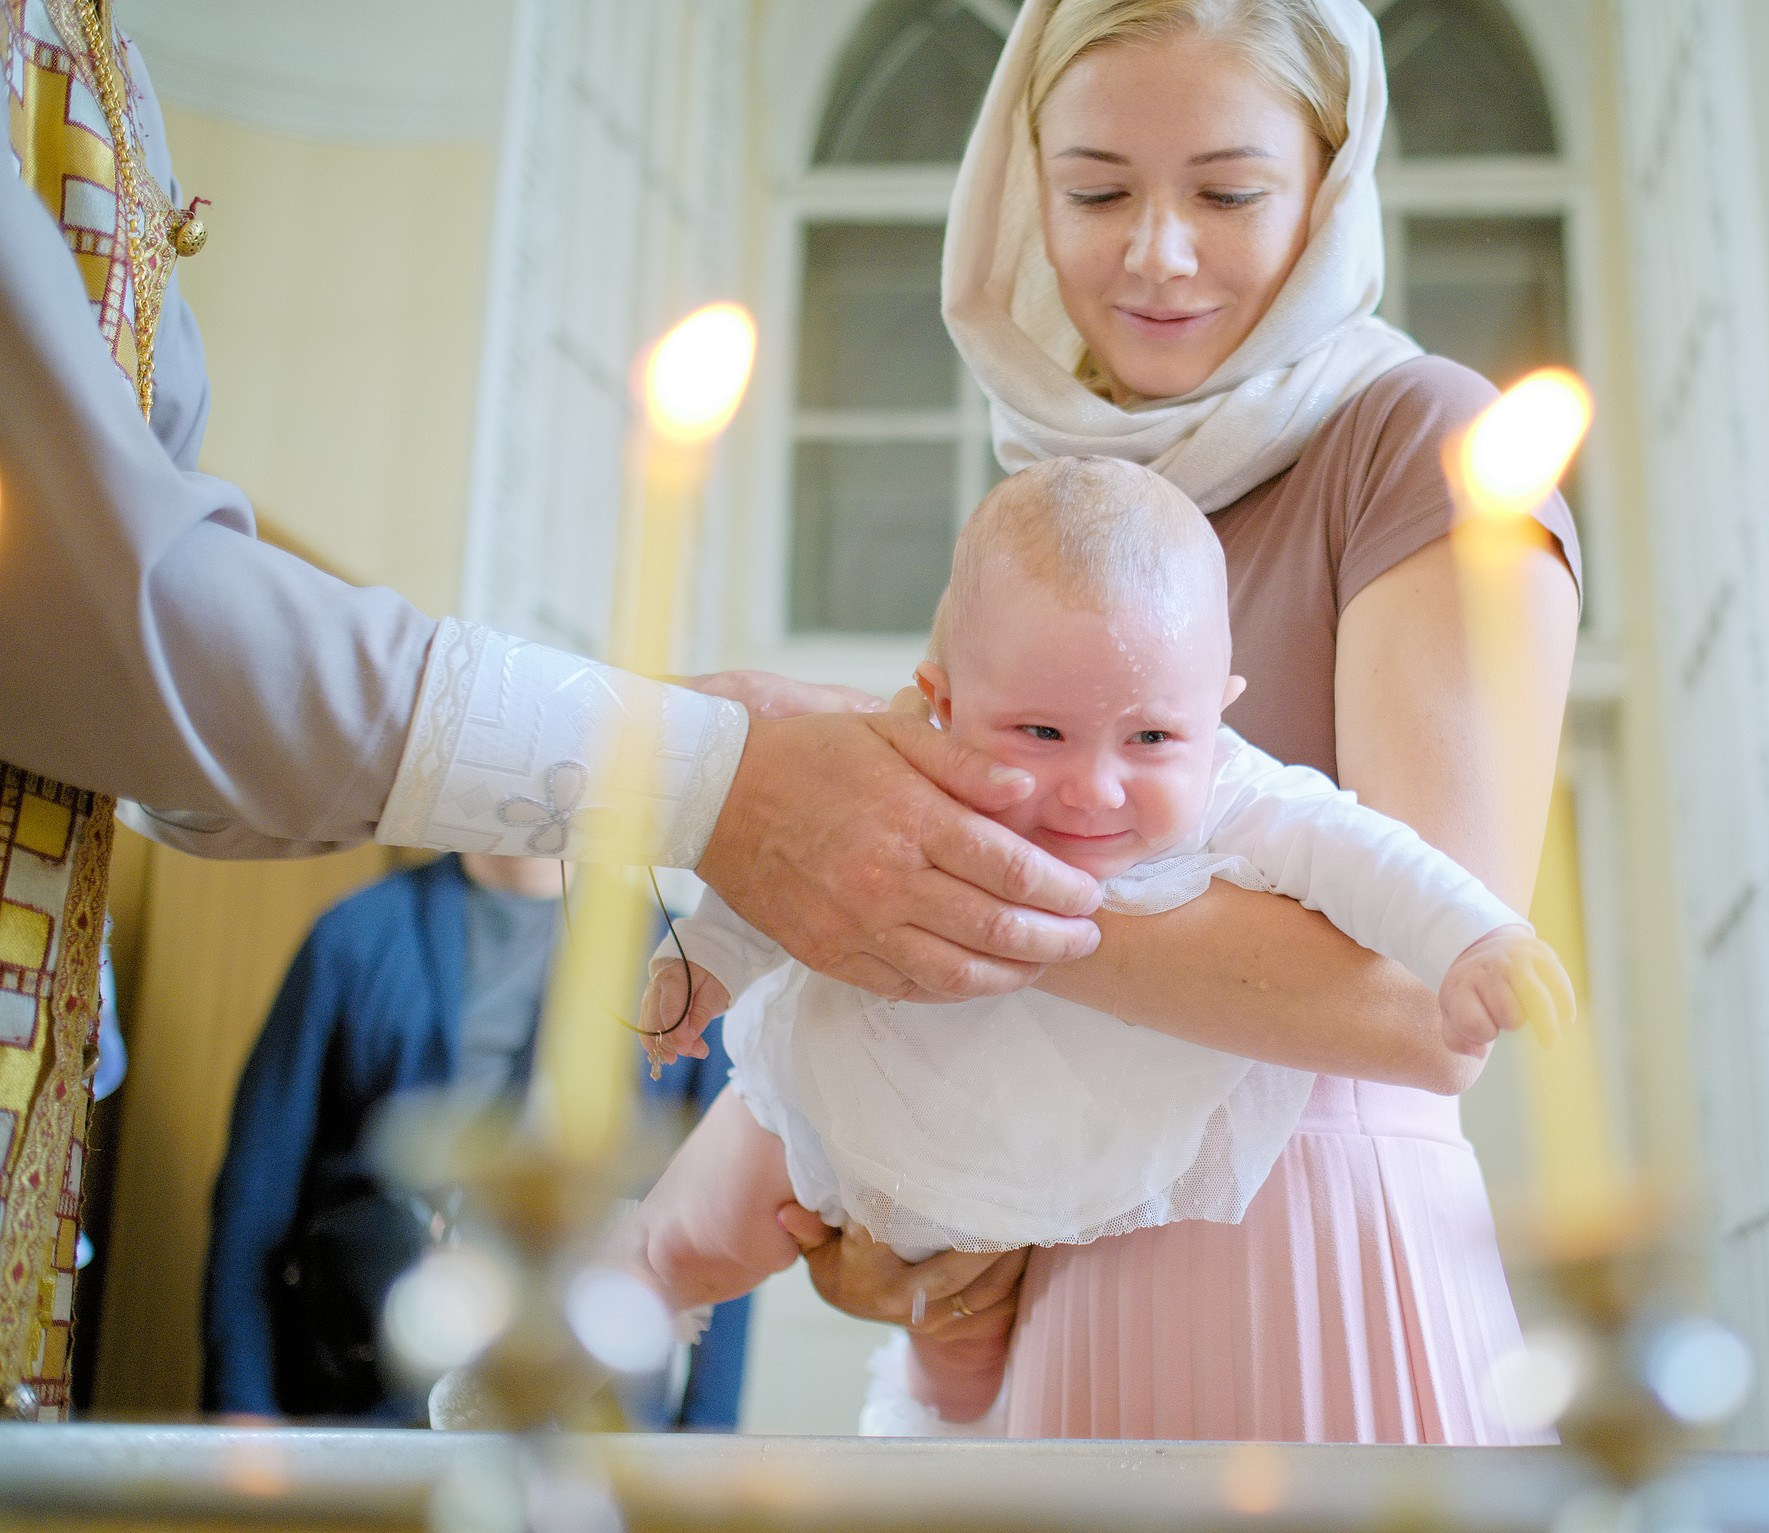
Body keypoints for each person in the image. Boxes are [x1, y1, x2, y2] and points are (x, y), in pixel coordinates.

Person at [0, 2, 1101, 1414]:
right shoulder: (367, 945)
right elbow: (112, 612)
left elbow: (166, 745)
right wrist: (694, 768)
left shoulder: (661, 956)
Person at [781, 0, 1584, 1442]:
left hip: (1319, 1255)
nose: (1157, 252)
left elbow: (1424, 1008)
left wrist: (938, 893)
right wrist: (881, 1213)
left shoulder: (1422, 444)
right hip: (1062, 1269)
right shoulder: (1046, 498)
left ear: (1329, 186)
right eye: (1097, 192)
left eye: (1227, 193)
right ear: (1021, 190)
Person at [629, 456, 1570, 1423]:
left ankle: (931, 1421)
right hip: (855, 1086)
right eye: (1041, 733)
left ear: (1219, 705)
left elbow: (1371, 859)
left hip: (1041, 1181)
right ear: (942, 697)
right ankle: (582, 1335)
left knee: (961, 1381)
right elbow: (795, 861)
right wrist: (707, 961)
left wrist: (1473, 936)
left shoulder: (1242, 795)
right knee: (690, 1236)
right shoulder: (917, 760)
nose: (1095, 788)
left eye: (1152, 739)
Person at [200, 853, 751, 1428]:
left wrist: (709, 1433)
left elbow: (729, 1213)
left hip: (595, 1417)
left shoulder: (683, 968)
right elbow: (255, 1196)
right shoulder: (354, 937)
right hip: (365, 1398)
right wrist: (241, 1406)